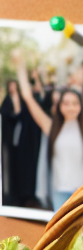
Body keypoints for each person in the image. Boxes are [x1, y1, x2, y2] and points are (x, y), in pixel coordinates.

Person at [12, 51, 83, 212]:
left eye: (75, 103)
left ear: (81, 106)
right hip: (58, 190)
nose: (71, 107)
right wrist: (20, 64)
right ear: (60, 106)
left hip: (82, 192)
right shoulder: (51, 127)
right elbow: (27, 97)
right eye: (66, 103)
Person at [1, 78, 42, 207]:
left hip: (26, 141)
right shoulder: (8, 100)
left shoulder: (27, 101)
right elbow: (10, 116)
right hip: (10, 143)